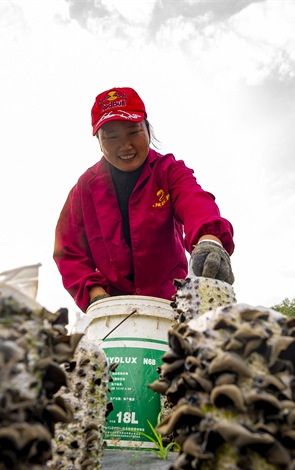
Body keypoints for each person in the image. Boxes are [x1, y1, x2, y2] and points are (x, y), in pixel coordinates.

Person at [54, 87, 235, 312]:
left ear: (147, 128)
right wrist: (97, 297)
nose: (125, 145)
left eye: (133, 131)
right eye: (111, 136)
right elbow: (68, 249)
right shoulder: (84, 189)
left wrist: (210, 240)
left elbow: (195, 201)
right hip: (113, 307)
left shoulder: (169, 171)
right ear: (99, 142)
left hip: (173, 302)